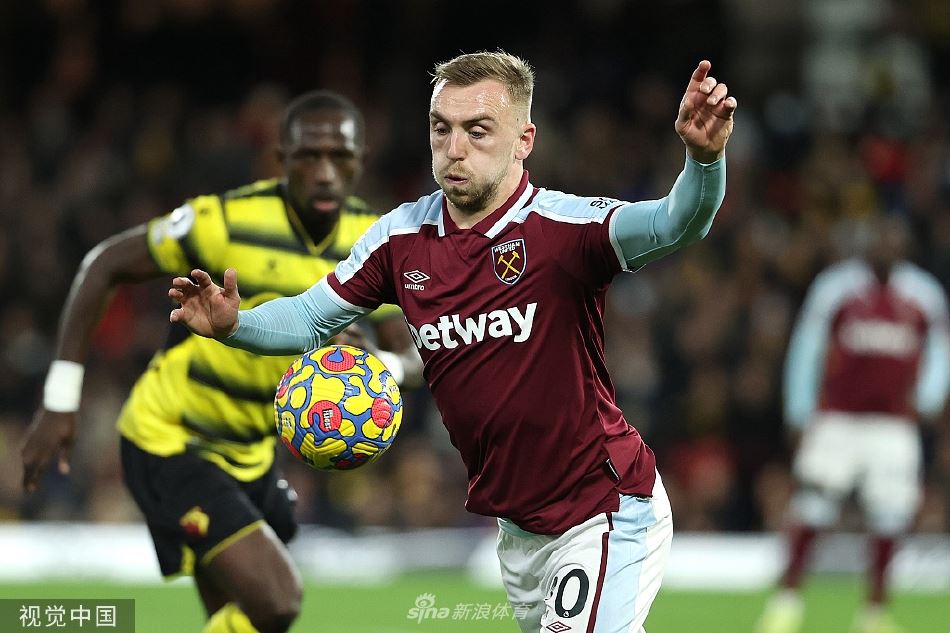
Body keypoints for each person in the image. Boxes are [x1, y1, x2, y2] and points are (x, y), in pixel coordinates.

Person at [168, 51, 736, 632]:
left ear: (524, 140)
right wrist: (236, 324)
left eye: (477, 130)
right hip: (519, 533)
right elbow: (311, 317)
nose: (454, 148)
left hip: (604, 508)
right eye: (442, 129)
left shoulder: (564, 230)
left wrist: (703, 160)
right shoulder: (401, 238)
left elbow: (674, 222)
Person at [20, 90, 421, 633]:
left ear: (362, 160)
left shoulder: (377, 242)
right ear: (281, 158)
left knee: (237, 614)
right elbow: (104, 263)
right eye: (309, 156)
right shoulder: (224, 221)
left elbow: (415, 353)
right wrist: (60, 399)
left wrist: (383, 365)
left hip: (253, 454)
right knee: (277, 601)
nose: (325, 173)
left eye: (340, 157)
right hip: (172, 438)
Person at [756, 216, 950, 633]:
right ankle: (787, 602)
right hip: (837, 420)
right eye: (881, 239)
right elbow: (807, 347)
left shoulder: (923, 295)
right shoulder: (836, 288)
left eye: (894, 240)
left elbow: (939, 349)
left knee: (891, 515)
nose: (887, 247)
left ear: (905, 247)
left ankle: (874, 611)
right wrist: (799, 409)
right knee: (813, 508)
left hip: (893, 426)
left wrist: (931, 396)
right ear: (868, 245)